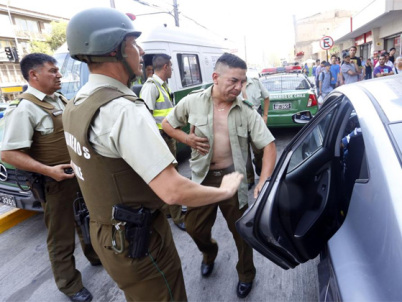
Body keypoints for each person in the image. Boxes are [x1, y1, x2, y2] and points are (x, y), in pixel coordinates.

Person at [63, 8, 243, 302]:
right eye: (134, 44)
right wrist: (224, 191)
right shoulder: (122, 109)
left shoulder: (76, 104)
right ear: (116, 49)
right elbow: (173, 191)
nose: (141, 51)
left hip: (105, 234)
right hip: (138, 240)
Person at [162, 53, 277, 299]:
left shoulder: (245, 111)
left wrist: (264, 180)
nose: (239, 87)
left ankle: (246, 274)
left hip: (234, 179)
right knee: (194, 228)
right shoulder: (192, 103)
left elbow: (268, 145)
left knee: (242, 233)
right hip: (202, 178)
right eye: (234, 81)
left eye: (242, 82)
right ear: (215, 77)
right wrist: (187, 138)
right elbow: (167, 124)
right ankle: (209, 252)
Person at [1, 53, 100, 302]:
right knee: (61, 236)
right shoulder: (24, 109)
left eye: (58, 71)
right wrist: (49, 171)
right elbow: (9, 153)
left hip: (77, 177)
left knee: (86, 220)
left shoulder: (58, 99)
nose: (59, 75)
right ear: (34, 75)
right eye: (53, 71)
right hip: (54, 184)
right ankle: (69, 284)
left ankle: (95, 256)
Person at [140, 54, 186, 231]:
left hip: (167, 137)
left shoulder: (161, 86)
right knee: (171, 177)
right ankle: (177, 217)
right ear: (165, 66)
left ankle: (168, 209)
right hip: (161, 139)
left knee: (169, 174)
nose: (173, 69)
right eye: (172, 66)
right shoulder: (151, 88)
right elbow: (145, 118)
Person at [240, 76, 270, 189]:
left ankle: (258, 165)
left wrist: (265, 116)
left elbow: (266, 97)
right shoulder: (233, 84)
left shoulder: (255, 83)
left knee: (259, 150)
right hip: (239, 122)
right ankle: (249, 179)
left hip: (255, 121)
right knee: (244, 153)